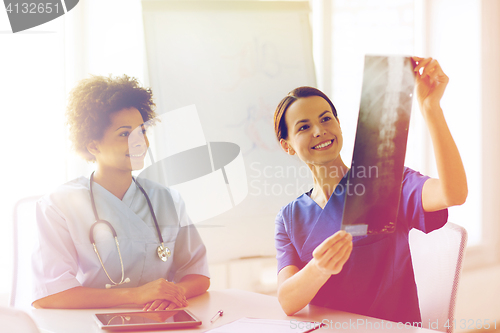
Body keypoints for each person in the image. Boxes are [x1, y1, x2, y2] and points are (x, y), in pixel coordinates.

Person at [273, 57, 467, 323]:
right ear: (288, 146)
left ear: (339, 125)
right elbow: (287, 301)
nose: (319, 130)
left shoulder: (384, 182)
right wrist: (319, 268)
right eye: (304, 127)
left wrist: (430, 107)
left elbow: (453, 193)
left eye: (326, 119)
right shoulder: (289, 217)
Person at [32, 75, 210, 310]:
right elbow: (50, 294)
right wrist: (136, 295)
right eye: (125, 134)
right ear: (93, 145)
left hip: (158, 321)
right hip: (91, 323)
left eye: (142, 131)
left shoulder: (168, 200)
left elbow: (197, 274)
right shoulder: (59, 205)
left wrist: (172, 292)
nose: (140, 142)